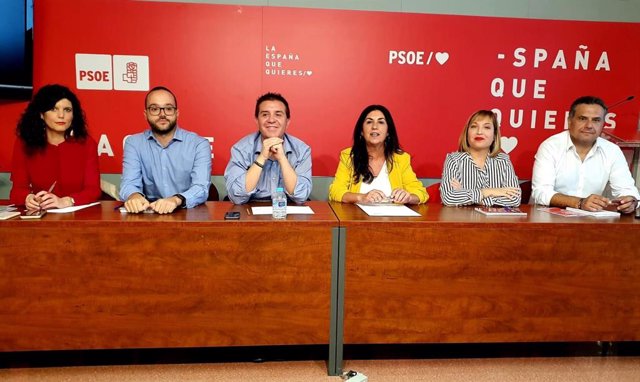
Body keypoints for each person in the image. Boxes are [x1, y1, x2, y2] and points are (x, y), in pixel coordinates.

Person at [531, 96, 639, 213]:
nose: (589, 125)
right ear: (569, 120)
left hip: (592, 221)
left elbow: (627, 190)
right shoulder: (551, 146)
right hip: (548, 218)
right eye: (582, 119)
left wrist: (630, 202)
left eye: (596, 120)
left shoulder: (612, 150)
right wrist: (580, 203)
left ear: (603, 123)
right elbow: (541, 192)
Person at [119, 86, 211, 214]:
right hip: (148, 215)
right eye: (154, 109)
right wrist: (134, 196)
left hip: (185, 214)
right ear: (146, 114)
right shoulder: (134, 143)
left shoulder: (198, 144)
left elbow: (201, 188)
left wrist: (176, 200)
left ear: (177, 113)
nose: (162, 114)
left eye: (168, 108)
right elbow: (128, 183)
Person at [10, 84, 101, 209]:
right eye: (54, 109)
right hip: (41, 217)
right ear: (41, 114)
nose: (61, 115)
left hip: (78, 217)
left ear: (73, 115)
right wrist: (28, 198)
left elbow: (93, 190)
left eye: (67, 110)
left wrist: (66, 201)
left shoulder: (86, 144)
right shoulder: (24, 143)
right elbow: (16, 191)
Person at [328, 104, 427, 204]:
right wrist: (362, 197)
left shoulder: (400, 158)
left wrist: (409, 197)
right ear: (361, 131)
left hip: (393, 218)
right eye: (369, 122)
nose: (374, 127)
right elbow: (335, 191)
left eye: (381, 122)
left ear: (388, 131)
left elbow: (421, 193)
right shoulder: (349, 156)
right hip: (357, 218)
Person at [224, 92, 312, 204]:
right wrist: (262, 157)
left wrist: (282, 158)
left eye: (278, 115)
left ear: (287, 122)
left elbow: (301, 196)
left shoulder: (302, 150)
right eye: (265, 115)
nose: (271, 120)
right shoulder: (241, 149)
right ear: (257, 120)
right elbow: (237, 196)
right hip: (251, 209)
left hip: (287, 208)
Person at [440, 110, 521, 206]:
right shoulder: (454, 159)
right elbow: (449, 197)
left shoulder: (503, 161)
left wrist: (467, 196)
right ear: (467, 133)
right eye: (474, 126)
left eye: (486, 127)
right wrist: (488, 192)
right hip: (463, 220)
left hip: (496, 220)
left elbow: (515, 199)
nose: (479, 132)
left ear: (494, 135)